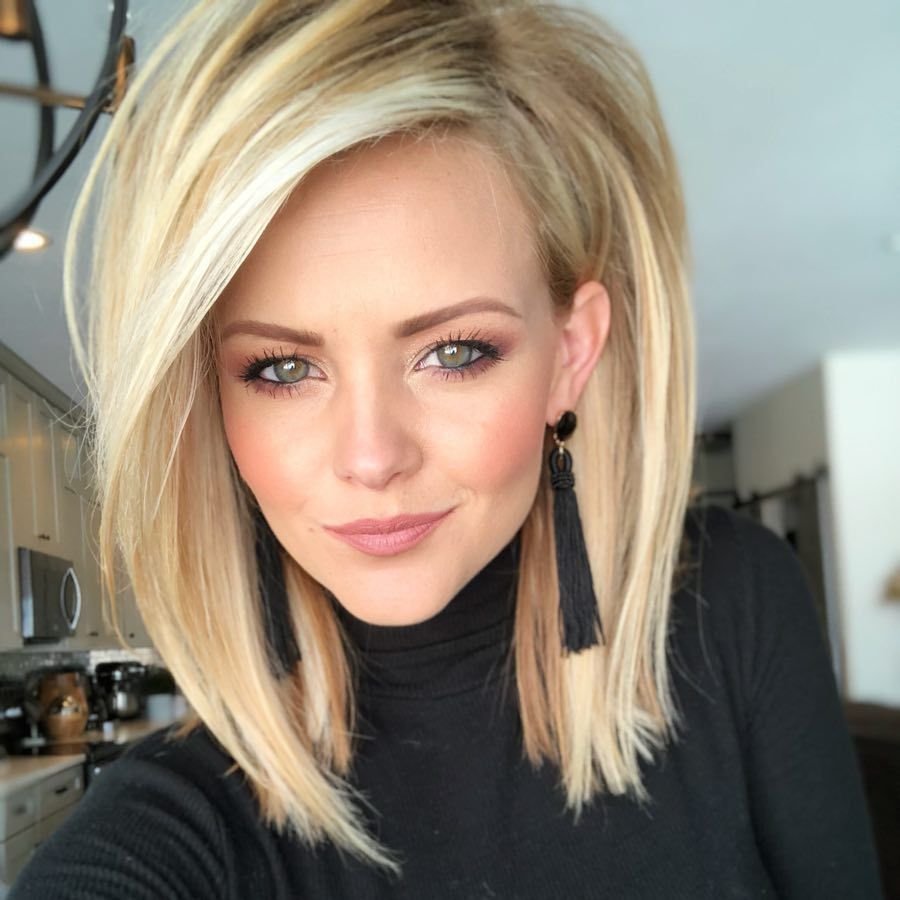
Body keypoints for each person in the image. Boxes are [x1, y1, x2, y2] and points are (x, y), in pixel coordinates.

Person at [11, 0, 882, 897]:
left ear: (569, 356)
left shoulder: (733, 603)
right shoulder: (181, 823)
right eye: (282, 368)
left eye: (455, 353)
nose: (371, 456)